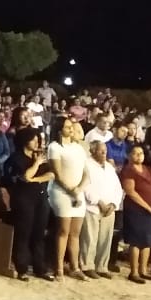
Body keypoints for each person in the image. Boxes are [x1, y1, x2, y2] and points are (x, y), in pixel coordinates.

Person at [1, 126, 53, 282]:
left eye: (38, 138)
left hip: (41, 198)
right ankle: (21, 268)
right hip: (23, 199)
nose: (37, 141)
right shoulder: (16, 158)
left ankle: (40, 268)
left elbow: (50, 174)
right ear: (24, 141)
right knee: (24, 234)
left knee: (39, 234)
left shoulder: (40, 156)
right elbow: (24, 176)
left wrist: (34, 179)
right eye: (33, 138)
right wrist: (36, 164)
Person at [47, 117, 89, 282]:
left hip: (78, 193)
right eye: (67, 127)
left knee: (75, 233)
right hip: (61, 192)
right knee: (63, 231)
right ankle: (58, 268)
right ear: (59, 130)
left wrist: (79, 189)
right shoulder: (55, 147)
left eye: (72, 127)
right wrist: (70, 190)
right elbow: (57, 173)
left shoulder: (78, 148)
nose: (71, 130)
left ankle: (75, 267)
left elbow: (86, 172)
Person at [80, 140, 122, 279]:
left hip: (109, 209)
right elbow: (86, 186)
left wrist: (114, 204)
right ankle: (87, 265)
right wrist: (99, 202)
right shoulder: (86, 164)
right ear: (93, 151)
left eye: (105, 150)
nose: (104, 153)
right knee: (90, 238)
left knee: (106, 238)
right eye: (100, 150)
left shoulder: (110, 167)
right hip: (92, 207)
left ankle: (102, 266)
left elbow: (117, 188)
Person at [121, 144, 151, 284]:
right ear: (129, 155)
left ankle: (143, 270)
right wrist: (148, 207)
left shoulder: (148, 170)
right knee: (136, 241)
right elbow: (131, 192)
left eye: (141, 153)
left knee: (147, 241)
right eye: (136, 153)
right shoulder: (128, 170)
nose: (139, 156)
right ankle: (134, 272)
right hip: (136, 209)